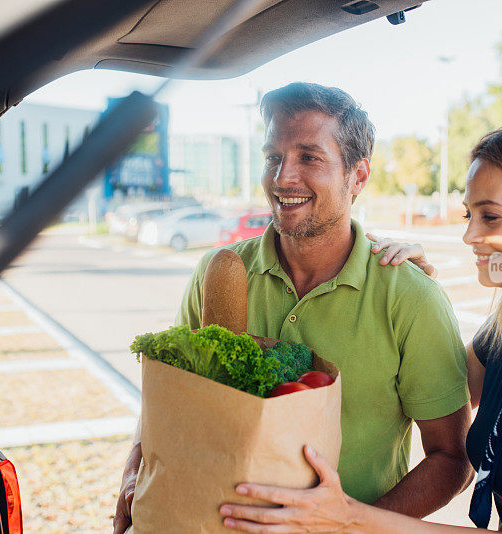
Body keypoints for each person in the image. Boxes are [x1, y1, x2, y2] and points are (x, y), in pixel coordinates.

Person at [219, 118, 502, 533]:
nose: (469, 235)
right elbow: (424, 379)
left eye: (490, 216)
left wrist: (345, 519)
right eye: (470, 215)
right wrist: (401, 290)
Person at [113, 82, 472, 533]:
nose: (283, 177)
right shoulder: (219, 272)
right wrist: (134, 469)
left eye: (309, 157)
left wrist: (350, 525)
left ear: (358, 176)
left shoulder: (410, 297)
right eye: (272, 157)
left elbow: (452, 459)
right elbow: (168, 398)